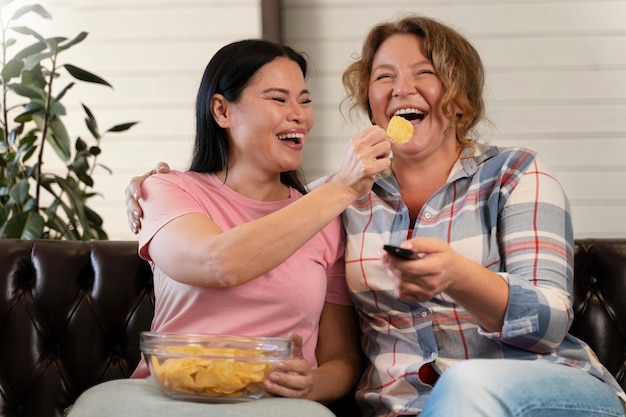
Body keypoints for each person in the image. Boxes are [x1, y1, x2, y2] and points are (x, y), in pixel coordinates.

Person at [125, 15, 626, 417]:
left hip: (542, 393)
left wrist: (457, 276)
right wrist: (152, 185)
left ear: (458, 97)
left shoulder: (516, 176)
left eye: (424, 73)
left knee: (468, 387)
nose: (400, 88)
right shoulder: (332, 200)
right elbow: (253, 215)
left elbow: (549, 325)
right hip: (404, 407)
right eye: (384, 77)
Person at [68, 38, 394, 417]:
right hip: (168, 398)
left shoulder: (323, 217)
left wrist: (311, 385)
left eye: (304, 101)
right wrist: (341, 188)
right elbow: (217, 263)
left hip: (272, 406)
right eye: (278, 99)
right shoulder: (167, 190)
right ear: (221, 110)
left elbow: (341, 359)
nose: (299, 115)